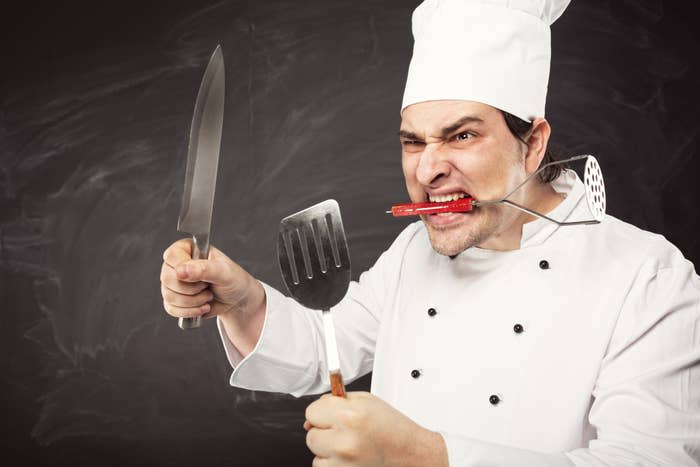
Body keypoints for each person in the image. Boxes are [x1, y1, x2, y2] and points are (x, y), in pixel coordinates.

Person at [160, 0, 700, 465]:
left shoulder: (646, 277)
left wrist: (426, 458)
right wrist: (240, 300)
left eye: (461, 135)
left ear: (532, 143)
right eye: (413, 142)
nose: (427, 170)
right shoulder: (413, 249)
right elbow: (325, 346)